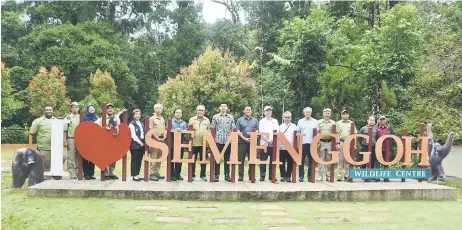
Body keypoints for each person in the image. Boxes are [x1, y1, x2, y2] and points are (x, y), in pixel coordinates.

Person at [29, 105, 63, 179]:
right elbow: (32, 132)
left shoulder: (57, 120)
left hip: (56, 146)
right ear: (44, 111)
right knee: (45, 163)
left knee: (62, 157)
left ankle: (56, 174)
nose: (49, 111)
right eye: (47, 110)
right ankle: (45, 177)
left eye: (50, 110)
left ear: (53, 111)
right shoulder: (38, 121)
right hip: (44, 146)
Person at [211, 103, 235, 182]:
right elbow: (213, 128)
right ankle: (216, 175)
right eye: (222, 106)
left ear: (227, 108)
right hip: (218, 141)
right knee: (217, 159)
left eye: (225, 106)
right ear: (219, 108)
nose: (223, 107)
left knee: (227, 158)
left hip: (228, 141)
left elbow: (233, 128)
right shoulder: (215, 117)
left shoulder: (231, 117)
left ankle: (227, 175)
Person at [95, 103, 119, 180]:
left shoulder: (116, 118)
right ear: (105, 110)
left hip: (113, 140)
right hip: (104, 141)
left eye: (111, 108)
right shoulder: (102, 119)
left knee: (113, 157)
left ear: (113, 110)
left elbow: (119, 128)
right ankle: (105, 173)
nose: (110, 109)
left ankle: (111, 172)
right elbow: (97, 128)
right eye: (108, 108)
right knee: (104, 156)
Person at [235, 106, 259, 181]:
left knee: (252, 160)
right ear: (244, 111)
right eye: (246, 110)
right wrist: (244, 138)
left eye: (249, 110)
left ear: (251, 111)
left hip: (252, 143)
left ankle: (251, 176)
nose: (248, 111)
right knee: (240, 159)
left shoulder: (255, 120)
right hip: (242, 142)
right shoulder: (239, 120)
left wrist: (252, 138)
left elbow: (257, 131)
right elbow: (238, 131)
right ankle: (240, 176)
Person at [189, 105, 210, 182]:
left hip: (204, 144)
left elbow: (209, 131)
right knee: (192, 160)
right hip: (194, 143)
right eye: (199, 110)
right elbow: (189, 130)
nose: (200, 111)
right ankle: (192, 175)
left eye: (202, 110)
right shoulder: (192, 119)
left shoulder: (207, 120)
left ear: (204, 111)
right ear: (196, 111)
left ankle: (203, 175)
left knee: (203, 160)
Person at [297, 107, 318, 182]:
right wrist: (298, 144)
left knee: (311, 161)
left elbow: (317, 133)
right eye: (306, 112)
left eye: (309, 112)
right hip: (303, 143)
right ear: (304, 113)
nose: (308, 113)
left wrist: (317, 143)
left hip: (312, 144)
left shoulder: (315, 121)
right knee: (301, 161)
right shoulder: (300, 121)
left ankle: (310, 176)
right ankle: (301, 176)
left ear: (311, 113)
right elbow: (298, 133)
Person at [335, 110, 357, 181]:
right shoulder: (338, 123)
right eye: (343, 114)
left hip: (349, 143)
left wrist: (354, 144)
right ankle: (339, 175)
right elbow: (336, 134)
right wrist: (337, 143)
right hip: (341, 142)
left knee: (347, 160)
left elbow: (355, 135)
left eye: (346, 114)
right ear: (341, 115)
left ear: (348, 115)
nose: (345, 115)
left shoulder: (351, 123)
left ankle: (347, 175)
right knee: (340, 160)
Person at [258, 106, 279, 181]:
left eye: (270, 110)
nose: (268, 112)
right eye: (267, 110)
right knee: (263, 160)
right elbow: (261, 131)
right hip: (264, 143)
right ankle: (262, 176)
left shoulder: (275, 121)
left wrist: (272, 140)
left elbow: (277, 131)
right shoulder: (262, 121)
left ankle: (271, 176)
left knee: (272, 161)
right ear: (264, 112)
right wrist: (267, 140)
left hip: (273, 143)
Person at [279, 111, 298, 182]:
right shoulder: (280, 127)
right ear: (283, 118)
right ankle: (282, 176)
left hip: (291, 148)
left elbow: (297, 137)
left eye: (288, 117)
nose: (287, 118)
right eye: (286, 117)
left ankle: (288, 176)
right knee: (282, 162)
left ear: (291, 118)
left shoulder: (294, 126)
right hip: (282, 147)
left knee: (290, 162)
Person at [317, 108, 336, 182]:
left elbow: (335, 133)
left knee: (328, 160)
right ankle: (320, 176)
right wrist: (318, 142)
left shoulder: (333, 123)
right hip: (321, 142)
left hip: (330, 142)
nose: (327, 114)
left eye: (328, 113)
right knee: (321, 159)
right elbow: (317, 132)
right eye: (325, 113)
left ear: (330, 114)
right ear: (323, 114)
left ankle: (328, 176)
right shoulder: (319, 122)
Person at [148, 103, 166, 181]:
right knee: (154, 157)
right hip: (154, 140)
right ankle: (152, 174)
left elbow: (164, 129)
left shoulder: (162, 118)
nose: (159, 109)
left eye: (160, 108)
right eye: (157, 108)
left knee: (160, 157)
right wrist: (157, 138)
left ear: (162, 110)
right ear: (154, 109)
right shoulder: (152, 118)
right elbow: (150, 130)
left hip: (161, 141)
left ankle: (157, 172)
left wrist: (164, 137)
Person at [64, 102, 80, 179]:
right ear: (70, 108)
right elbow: (65, 130)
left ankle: (78, 171)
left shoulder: (81, 117)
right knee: (71, 156)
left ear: (78, 108)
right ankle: (71, 172)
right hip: (71, 138)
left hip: (80, 139)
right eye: (73, 107)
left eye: (76, 107)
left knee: (78, 156)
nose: (75, 108)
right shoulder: (68, 117)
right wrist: (65, 140)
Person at [358, 115, 377, 182]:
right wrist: (363, 145)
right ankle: (363, 176)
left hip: (373, 147)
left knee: (372, 162)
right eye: (370, 120)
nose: (372, 121)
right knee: (363, 162)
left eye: (373, 120)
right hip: (365, 147)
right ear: (367, 121)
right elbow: (360, 138)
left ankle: (370, 176)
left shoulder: (376, 129)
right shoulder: (363, 129)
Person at [171, 108, 188, 181]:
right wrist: (175, 131)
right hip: (172, 143)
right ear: (174, 114)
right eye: (177, 112)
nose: (178, 114)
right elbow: (167, 130)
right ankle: (172, 175)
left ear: (182, 114)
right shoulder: (170, 122)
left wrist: (182, 131)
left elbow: (187, 131)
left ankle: (177, 174)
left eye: (180, 113)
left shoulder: (184, 123)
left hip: (181, 143)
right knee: (172, 159)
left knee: (179, 160)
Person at [375, 115, 394, 182]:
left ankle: (386, 178)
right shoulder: (375, 128)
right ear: (378, 121)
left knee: (386, 163)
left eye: (383, 120)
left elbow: (393, 137)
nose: (382, 121)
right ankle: (377, 177)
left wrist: (391, 147)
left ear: (385, 121)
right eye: (381, 120)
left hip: (387, 148)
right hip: (378, 148)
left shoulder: (389, 128)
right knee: (377, 163)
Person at [129, 109, 145, 182]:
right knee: (134, 160)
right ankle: (134, 175)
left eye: (138, 114)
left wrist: (143, 142)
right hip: (135, 144)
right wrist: (139, 142)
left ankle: (137, 174)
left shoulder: (141, 123)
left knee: (139, 160)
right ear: (133, 115)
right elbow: (133, 135)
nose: (137, 115)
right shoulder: (132, 124)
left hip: (142, 143)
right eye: (136, 114)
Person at [82, 104, 98, 180]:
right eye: (90, 108)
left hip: (94, 140)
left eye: (93, 108)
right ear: (87, 109)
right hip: (85, 139)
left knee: (93, 157)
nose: (91, 109)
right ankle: (86, 174)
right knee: (85, 157)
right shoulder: (84, 117)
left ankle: (91, 174)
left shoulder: (97, 117)